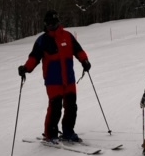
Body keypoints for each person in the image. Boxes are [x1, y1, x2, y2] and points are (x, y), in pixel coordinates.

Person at [18, 10, 91, 143]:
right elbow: (34, 57)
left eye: (54, 23)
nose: (52, 26)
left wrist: (84, 61)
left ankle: (68, 131)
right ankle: (50, 134)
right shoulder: (42, 41)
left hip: (69, 79)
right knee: (55, 108)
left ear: (58, 22)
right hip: (53, 80)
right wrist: (26, 68)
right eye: (49, 24)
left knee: (71, 107)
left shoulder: (68, 36)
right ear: (45, 25)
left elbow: (78, 50)